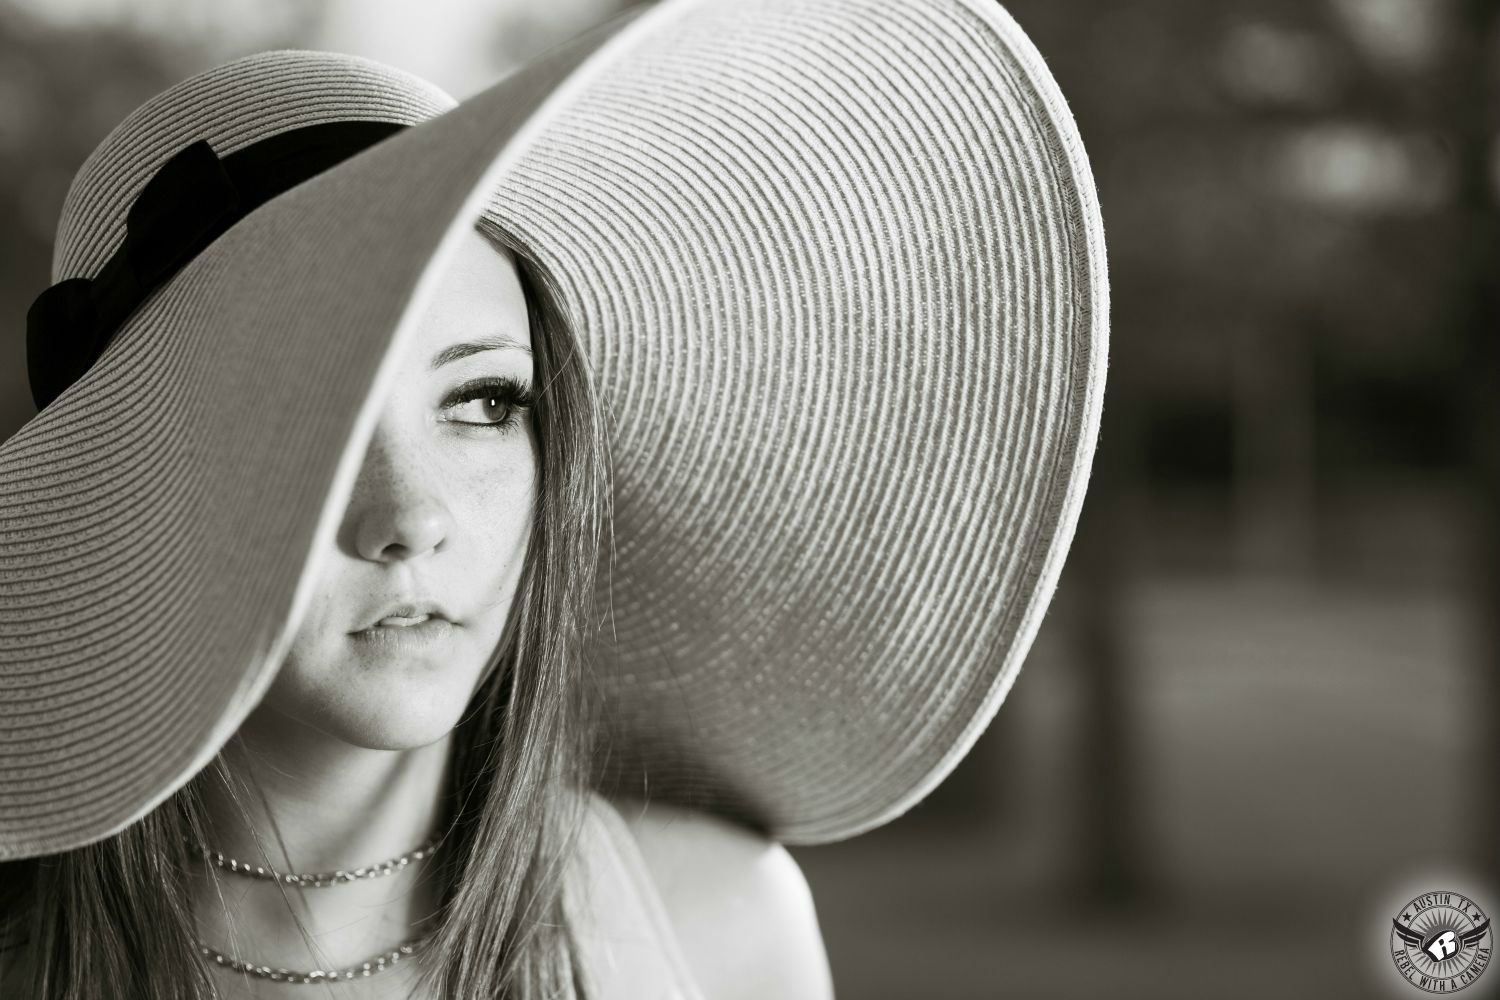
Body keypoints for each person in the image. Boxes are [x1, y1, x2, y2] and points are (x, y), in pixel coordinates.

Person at [0, 0, 1109, 997]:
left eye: (484, 400)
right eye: (311, 422)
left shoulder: (714, 927)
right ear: (136, 498)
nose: (413, 518)